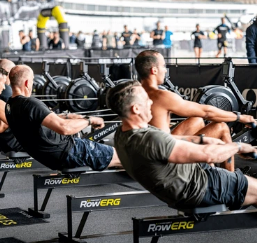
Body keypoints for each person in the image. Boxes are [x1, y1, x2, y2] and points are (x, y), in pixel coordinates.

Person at [107, 80, 257, 210]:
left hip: (189, 181)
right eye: (146, 100)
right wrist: (239, 147)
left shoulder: (123, 133)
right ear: (136, 109)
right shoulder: (150, 140)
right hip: (201, 187)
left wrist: (202, 139)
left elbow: (172, 141)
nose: (151, 102)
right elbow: (210, 155)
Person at [134, 50, 255, 171]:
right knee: (221, 127)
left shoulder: (134, 92)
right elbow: (207, 112)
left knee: (196, 120)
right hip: (163, 156)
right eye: (163, 66)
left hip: (148, 149)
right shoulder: (161, 95)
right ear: (154, 70)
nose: (165, 70)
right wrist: (240, 117)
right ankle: (231, 178)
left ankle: (210, 168)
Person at [4, 65, 121, 171]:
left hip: (50, 157)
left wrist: (68, 116)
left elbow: (41, 119)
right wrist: (89, 120)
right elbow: (65, 128)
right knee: (124, 157)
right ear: (27, 83)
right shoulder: (30, 104)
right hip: (68, 152)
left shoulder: (10, 105)